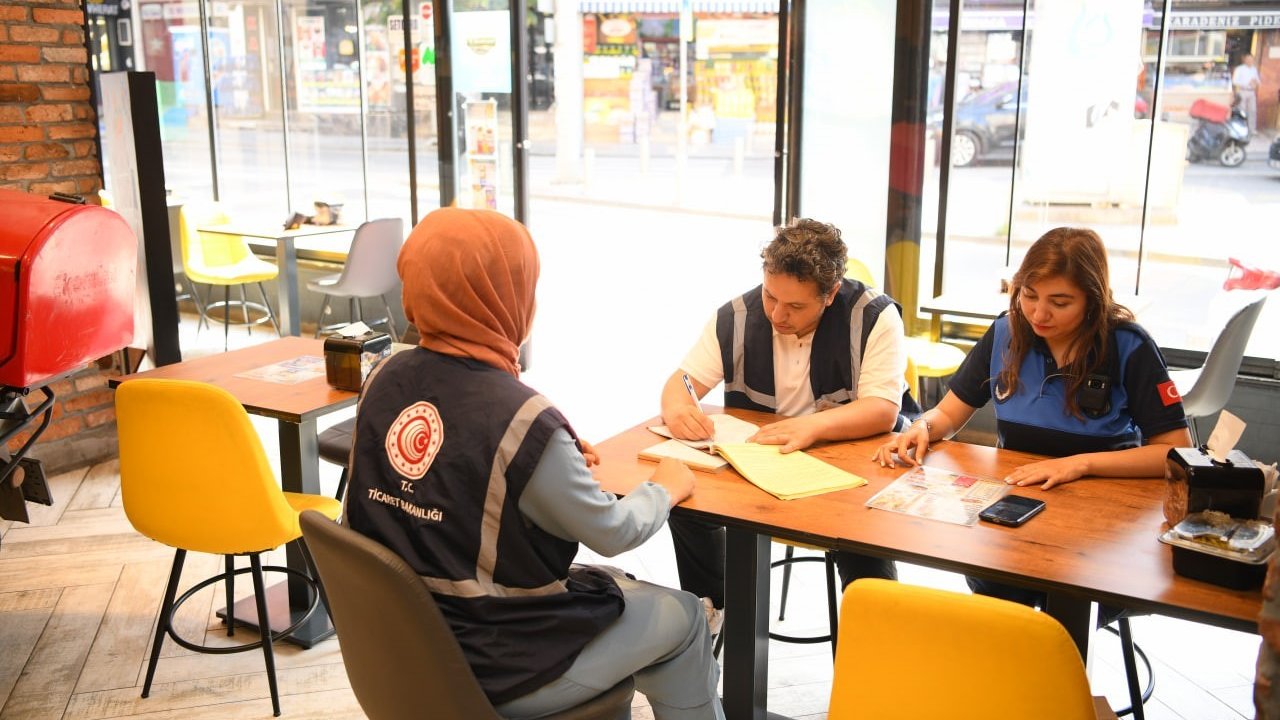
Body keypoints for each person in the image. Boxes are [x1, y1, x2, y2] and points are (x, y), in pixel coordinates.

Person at [345, 207, 724, 720]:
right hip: (499, 662)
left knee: (625, 603)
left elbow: (449, 466)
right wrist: (666, 485)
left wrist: (552, 453)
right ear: (502, 295)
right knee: (683, 617)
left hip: (398, 651)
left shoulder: (383, 377)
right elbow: (612, 530)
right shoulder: (523, 419)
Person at [873, 226, 1191, 609]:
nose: (1039, 313)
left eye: (1060, 302)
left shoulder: (1128, 344)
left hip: (1100, 522)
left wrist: (1080, 464)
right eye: (1029, 295)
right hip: (1017, 506)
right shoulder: (1006, 333)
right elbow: (949, 413)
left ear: (1093, 299)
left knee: (1068, 601)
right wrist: (921, 427)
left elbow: (1174, 452)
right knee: (994, 589)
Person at [660, 217, 914, 628]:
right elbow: (683, 381)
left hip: (852, 470)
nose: (778, 314)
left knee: (864, 533)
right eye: (770, 296)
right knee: (685, 502)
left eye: (796, 306)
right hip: (762, 468)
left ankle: (872, 635)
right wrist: (678, 408)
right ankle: (716, 605)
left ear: (831, 294)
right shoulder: (737, 316)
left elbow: (883, 409)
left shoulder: (873, 316)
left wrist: (810, 427)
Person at [1233, 53, 1260, 135]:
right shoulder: (1239, 69)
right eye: (1248, 59)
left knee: (1252, 111)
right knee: (1242, 111)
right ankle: (1241, 129)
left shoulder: (1254, 69)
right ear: (1244, 60)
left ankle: (1252, 129)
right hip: (1242, 91)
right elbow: (1234, 81)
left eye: (1251, 59)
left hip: (1251, 92)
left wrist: (1256, 82)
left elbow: (1258, 80)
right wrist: (1247, 83)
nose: (1250, 61)